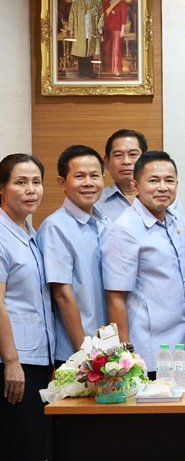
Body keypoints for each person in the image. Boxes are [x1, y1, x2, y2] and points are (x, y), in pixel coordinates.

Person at [101, 151, 185, 379]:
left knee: (182, 401)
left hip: (180, 347)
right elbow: (115, 296)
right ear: (136, 185)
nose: (163, 187)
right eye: (153, 180)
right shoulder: (124, 229)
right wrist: (125, 355)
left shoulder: (176, 221)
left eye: (169, 180)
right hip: (147, 353)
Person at [0, 154, 54, 461]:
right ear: (2, 188)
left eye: (36, 182)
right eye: (21, 182)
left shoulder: (30, 233)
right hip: (14, 362)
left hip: (35, 359)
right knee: (21, 448)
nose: (31, 190)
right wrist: (11, 362)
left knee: (36, 445)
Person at [38, 145, 110, 367]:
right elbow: (62, 295)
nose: (88, 183)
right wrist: (84, 354)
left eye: (94, 176)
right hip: (76, 352)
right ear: (62, 182)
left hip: (107, 348)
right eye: (79, 176)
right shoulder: (56, 226)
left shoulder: (105, 223)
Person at [97, 129, 185, 224]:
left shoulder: (164, 196)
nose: (126, 161)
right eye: (118, 155)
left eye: (133, 154)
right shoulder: (96, 201)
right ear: (107, 162)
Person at [66, 0, 103, 78]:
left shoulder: (95, 1)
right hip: (80, 29)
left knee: (90, 50)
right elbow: (72, 15)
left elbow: (101, 14)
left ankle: (89, 71)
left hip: (91, 29)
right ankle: (82, 72)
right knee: (81, 50)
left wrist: (99, 26)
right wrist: (71, 28)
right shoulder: (76, 1)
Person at [102, 0, 128, 76]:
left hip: (117, 29)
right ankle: (108, 70)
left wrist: (122, 30)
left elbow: (124, 17)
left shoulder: (122, 3)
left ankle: (117, 70)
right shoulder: (106, 4)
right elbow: (104, 17)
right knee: (107, 49)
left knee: (116, 50)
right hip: (107, 29)